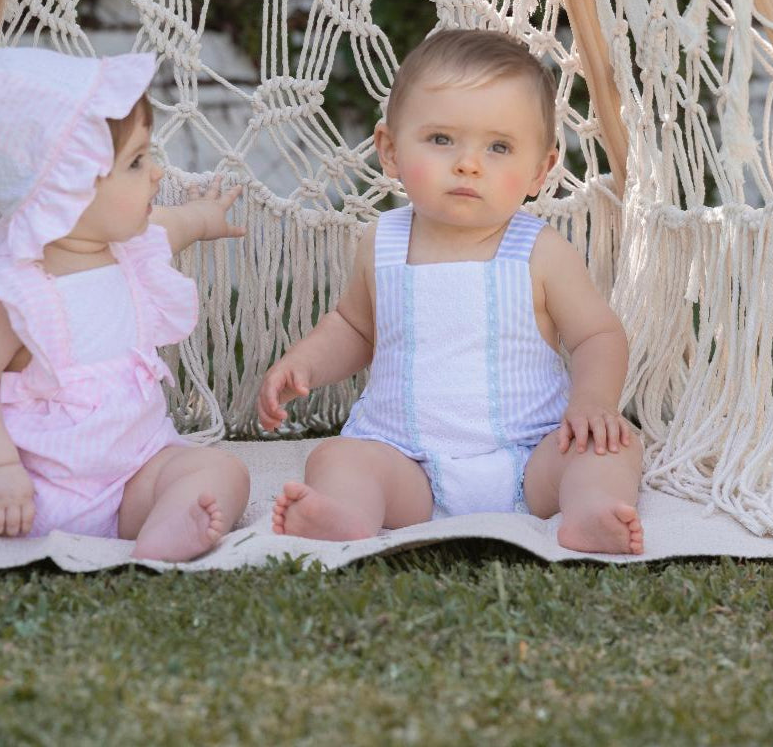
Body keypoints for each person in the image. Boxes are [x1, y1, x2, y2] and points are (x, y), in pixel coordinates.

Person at [0, 48, 249, 585]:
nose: (157, 173)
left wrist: (206, 218)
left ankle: (164, 531)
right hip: (18, 491)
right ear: (67, 188)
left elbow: (176, 224)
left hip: (133, 478)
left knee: (219, 469)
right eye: (137, 163)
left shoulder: (133, 248)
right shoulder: (13, 291)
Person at [258, 29, 643, 555]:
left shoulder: (540, 251)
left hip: (532, 457)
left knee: (611, 447)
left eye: (499, 147)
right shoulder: (383, 241)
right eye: (441, 140)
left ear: (540, 170)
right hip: (406, 460)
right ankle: (346, 514)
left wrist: (594, 401)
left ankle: (590, 510)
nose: (468, 163)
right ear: (390, 151)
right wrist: (306, 361)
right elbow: (354, 327)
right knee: (336, 458)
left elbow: (598, 335)